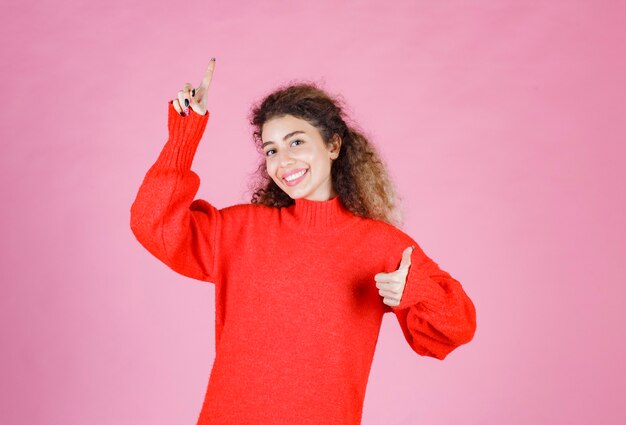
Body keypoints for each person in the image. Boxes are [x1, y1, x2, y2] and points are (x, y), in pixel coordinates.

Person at [130, 58, 477, 425]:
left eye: (296, 141)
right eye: (272, 150)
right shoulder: (240, 231)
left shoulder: (381, 247)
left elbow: (454, 330)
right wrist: (183, 137)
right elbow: (153, 224)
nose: (284, 160)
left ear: (333, 146)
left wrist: (418, 290)